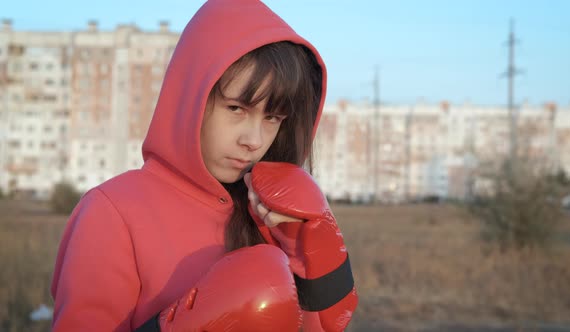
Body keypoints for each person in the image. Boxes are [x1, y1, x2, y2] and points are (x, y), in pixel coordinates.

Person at [51, 0, 358, 331]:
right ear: (191, 95)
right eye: (236, 109)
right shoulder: (112, 212)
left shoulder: (274, 212)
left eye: (272, 118)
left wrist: (311, 250)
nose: (254, 140)